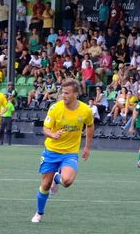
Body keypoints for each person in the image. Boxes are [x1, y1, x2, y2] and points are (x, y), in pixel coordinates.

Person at [32, 80, 94, 223]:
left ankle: (57, 179)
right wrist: (52, 135)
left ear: (76, 94)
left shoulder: (85, 110)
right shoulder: (55, 109)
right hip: (51, 151)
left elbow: (90, 126)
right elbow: (45, 129)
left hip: (70, 152)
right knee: (45, 185)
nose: (63, 95)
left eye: (67, 93)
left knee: (67, 181)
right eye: (62, 92)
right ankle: (39, 213)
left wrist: (87, 147)